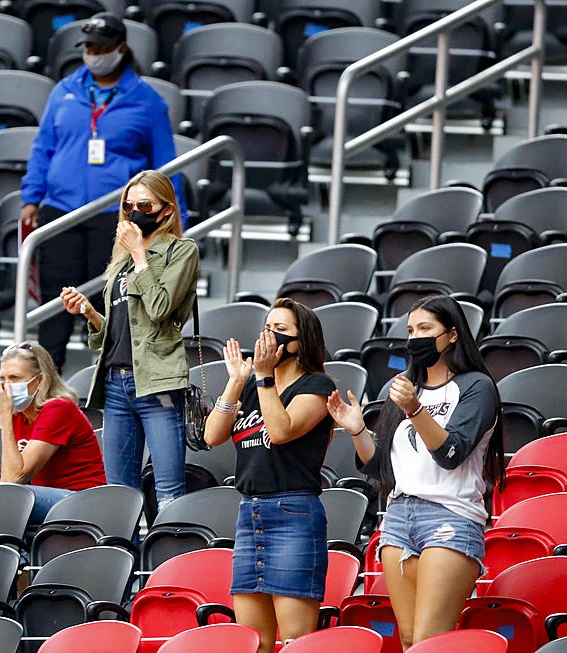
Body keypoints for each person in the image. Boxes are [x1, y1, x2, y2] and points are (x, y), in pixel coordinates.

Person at [326, 295, 504, 651]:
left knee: (429, 639)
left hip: (450, 517)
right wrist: (358, 430)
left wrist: (415, 409)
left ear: (452, 334)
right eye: (410, 330)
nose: (415, 337)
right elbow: (382, 468)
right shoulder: (405, 386)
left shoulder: (476, 387)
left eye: (426, 328)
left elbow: (451, 453)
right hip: (398, 517)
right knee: (407, 639)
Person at [21, 11, 186, 371]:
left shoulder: (147, 101)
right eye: (89, 46)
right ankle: (49, 383)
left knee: (113, 298)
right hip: (60, 210)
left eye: (101, 46)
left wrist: (178, 219)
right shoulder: (64, 90)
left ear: (121, 48)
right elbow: (43, 147)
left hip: (118, 215)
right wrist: (31, 197)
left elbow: (165, 167)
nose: (93, 52)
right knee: (55, 302)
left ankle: (112, 377)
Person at [203, 298, 336, 653]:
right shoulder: (251, 385)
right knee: (253, 642)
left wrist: (263, 379)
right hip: (250, 512)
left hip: (294, 512)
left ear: (301, 341)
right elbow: (212, 435)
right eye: (267, 327)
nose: (270, 336)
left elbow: (280, 431)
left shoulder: (317, 386)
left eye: (281, 330)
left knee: (295, 642)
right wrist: (235, 383)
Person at [61, 169, 198, 512]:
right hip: (116, 382)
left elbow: (160, 308)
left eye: (145, 205)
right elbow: (125, 328)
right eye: (129, 205)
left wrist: (139, 255)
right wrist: (91, 314)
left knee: (168, 492)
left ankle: (166, 563)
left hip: (158, 383)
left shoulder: (180, 251)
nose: (135, 212)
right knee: (119, 494)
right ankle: (124, 563)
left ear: (166, 210)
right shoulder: (121, 258)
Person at [0, 341, 106, 528]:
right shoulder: (19, 415)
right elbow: (7, 481)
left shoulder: (59, 408)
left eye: (15, 378)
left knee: (4, 497)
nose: (6, 387)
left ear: (40, 380)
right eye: (3, 379)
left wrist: (4, 416)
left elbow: (15, 479)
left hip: (82, 500)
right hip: (51, 498)